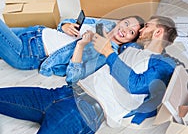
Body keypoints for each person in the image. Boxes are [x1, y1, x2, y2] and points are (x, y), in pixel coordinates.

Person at [0, 16, 178, 134]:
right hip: (64, 94)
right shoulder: (131, 47)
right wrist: (65, 26)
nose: (140, 30)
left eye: (147, 26)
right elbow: (107, 25)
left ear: (158, 31)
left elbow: (135, 84)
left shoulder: (163, 65)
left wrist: (108, 51)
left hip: (83, 114)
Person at [0, 15, 144, 83]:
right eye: (126, 23)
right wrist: (65, 26)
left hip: (29, 53)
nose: (125, 30)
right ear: (119, 21)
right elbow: (71, 22)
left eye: (131, 32)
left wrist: (81, 45)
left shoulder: (106, 52)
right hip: (34, 32)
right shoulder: (105, 25)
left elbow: (74, 76)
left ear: (131, 40)